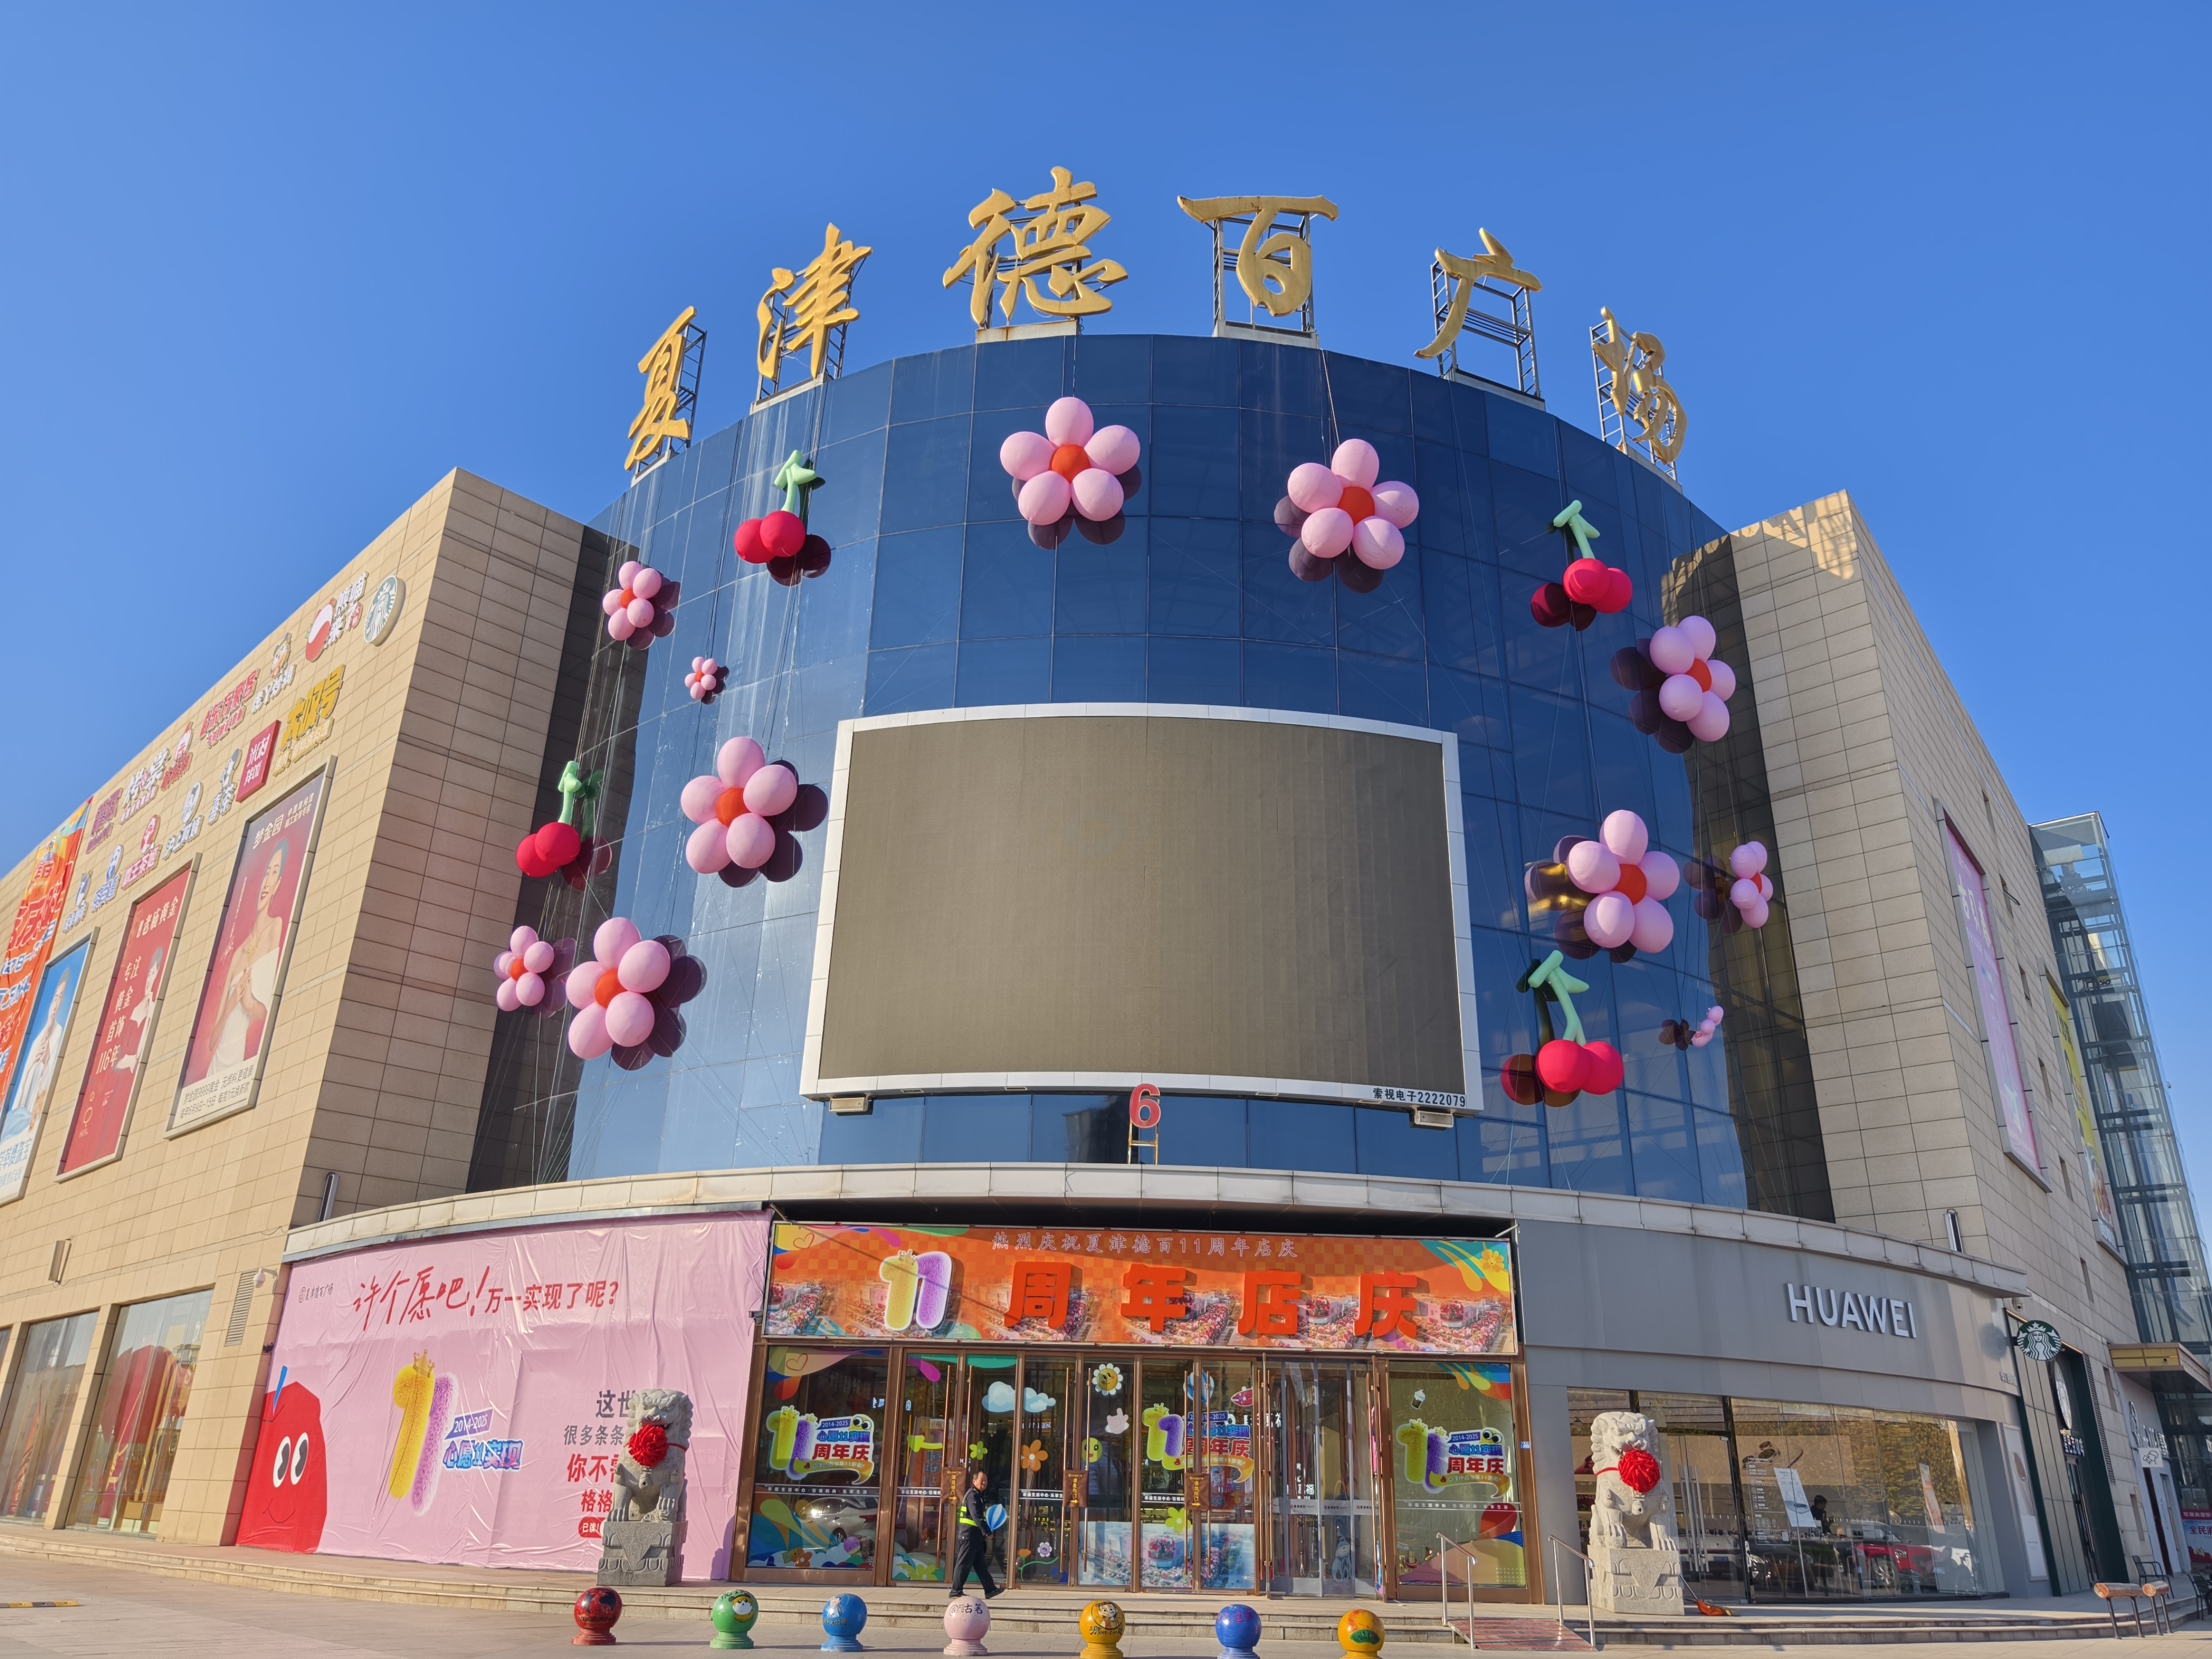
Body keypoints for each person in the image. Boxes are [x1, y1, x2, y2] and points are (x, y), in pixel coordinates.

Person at [948, 1468, 1001, 1600]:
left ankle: (990, 1589)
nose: (984, 1483)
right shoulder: (973, 1496)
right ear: (974, 1481)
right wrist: (987, 1531)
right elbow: (977, 1516)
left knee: (981, 1566)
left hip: (975, 1537)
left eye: (986, 1481)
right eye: (981, 1480)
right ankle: (955, 1591)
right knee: (963, 1564)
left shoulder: (978, 1496)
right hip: (969, 1536)